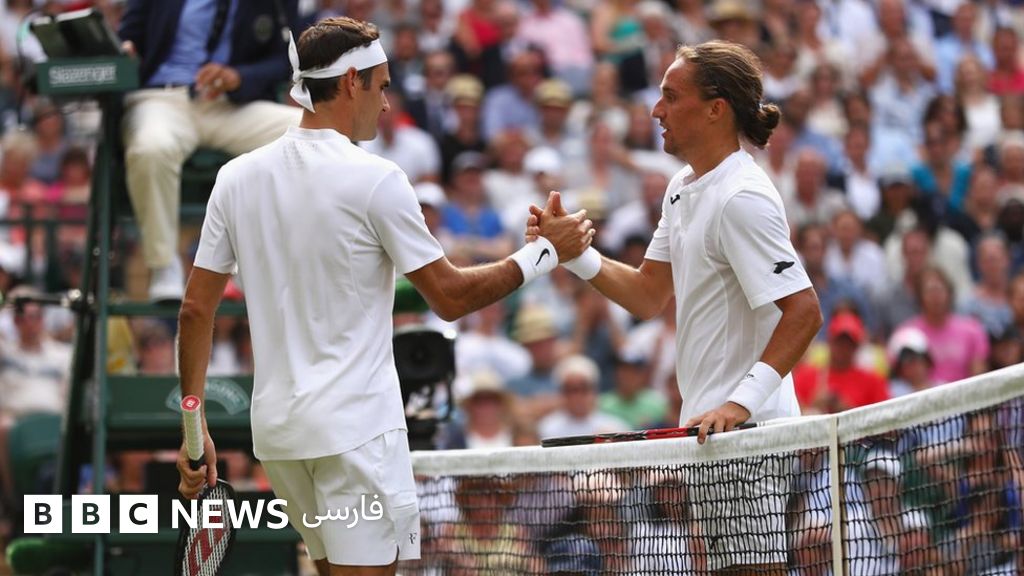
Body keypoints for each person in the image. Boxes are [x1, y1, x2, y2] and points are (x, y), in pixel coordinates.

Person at [176, 16, 592, 576]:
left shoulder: (235, 178)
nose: (389, 103)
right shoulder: (377, 178)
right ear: (352, 83)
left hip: (280, 440)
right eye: (383, 86)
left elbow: (195, 310)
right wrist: (543, 255)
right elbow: (449, 296)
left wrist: (194, 426)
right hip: (356, 438)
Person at [529, 40, 822, 576]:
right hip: (709, 431)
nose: (655, 110)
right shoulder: (681, 188)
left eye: (671, 96)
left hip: (748, 436)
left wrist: (739, 405)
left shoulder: (742, 197)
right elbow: (648, 294)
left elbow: (803, 311)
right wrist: (575, 255)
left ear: (715, 109)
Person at [118, 0, 303, 300]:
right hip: (163, 99)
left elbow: (286, 61)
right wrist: (124, 50)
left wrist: (239, 77)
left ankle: (263, 259)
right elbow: (128, 38)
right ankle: (163, 263)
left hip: (231, 105)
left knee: (309, 134)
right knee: (151, 148)